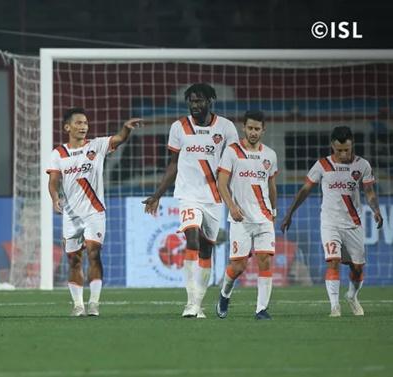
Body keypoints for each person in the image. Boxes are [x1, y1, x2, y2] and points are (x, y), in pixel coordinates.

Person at [143, 83, 239, 318]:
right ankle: (190, 303)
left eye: (200, 101)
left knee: (206, 250)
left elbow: (235, 163)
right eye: (191, 101)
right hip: (187, 195)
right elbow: (173, 163)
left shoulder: (226, 128)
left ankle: (199, 302)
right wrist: (157, 194)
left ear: (210, 101)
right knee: (192, 239)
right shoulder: (179, 127)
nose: (195, 105)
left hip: (214, 198)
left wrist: (237, 198)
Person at [47, 107, 142, 317]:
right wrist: (55, 199)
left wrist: (126, 129)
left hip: (94, 212)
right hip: (71, 216)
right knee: (74, 260)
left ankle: (94, 303)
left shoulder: (96, 146)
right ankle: (78, 305)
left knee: (94, 253)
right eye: (79, 123)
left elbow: (118, 139)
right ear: (67, 127)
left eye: (85, 123)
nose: (83, 127)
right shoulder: (58, 154)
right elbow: (53, 182)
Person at [281, 126, 383, 317]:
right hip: (330, 223)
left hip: (353, 223)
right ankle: (334, 307)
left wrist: (376, 210)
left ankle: (352, 296)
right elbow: (305, 190)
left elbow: (369, 192)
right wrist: (289, 214)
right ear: (332, 146)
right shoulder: (322, 165)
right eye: (339, 150)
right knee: (333, 261)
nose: (343, 154)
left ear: (352, 145)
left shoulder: (363, 166)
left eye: (347, 149)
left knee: (358, 268)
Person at [214, 110, 278, 320]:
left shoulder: (269, 155)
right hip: (240, 218)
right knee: (238, 266)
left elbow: (271, 185)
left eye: (257, 129)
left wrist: (274, 211)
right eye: (249, 128)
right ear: (244, 127)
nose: (253, 132)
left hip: (264, 217)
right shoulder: (232, 152)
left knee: (265, 261)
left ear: (263, 130)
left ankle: (261, 309)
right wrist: (231, 206)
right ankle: (225, 294)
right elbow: (221, 183)